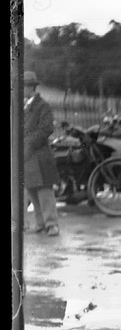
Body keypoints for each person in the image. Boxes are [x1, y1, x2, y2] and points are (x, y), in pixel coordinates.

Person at [22, 71, 61, 237]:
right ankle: (40, 223)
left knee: (44, 191)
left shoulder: (42, 105)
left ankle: (52, 224)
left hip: (38, 154)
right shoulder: (22, 106)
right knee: (31, 190)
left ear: (30, 88)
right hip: (26, 155)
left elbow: (46, 128)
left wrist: (29, 143)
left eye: (22, 87)